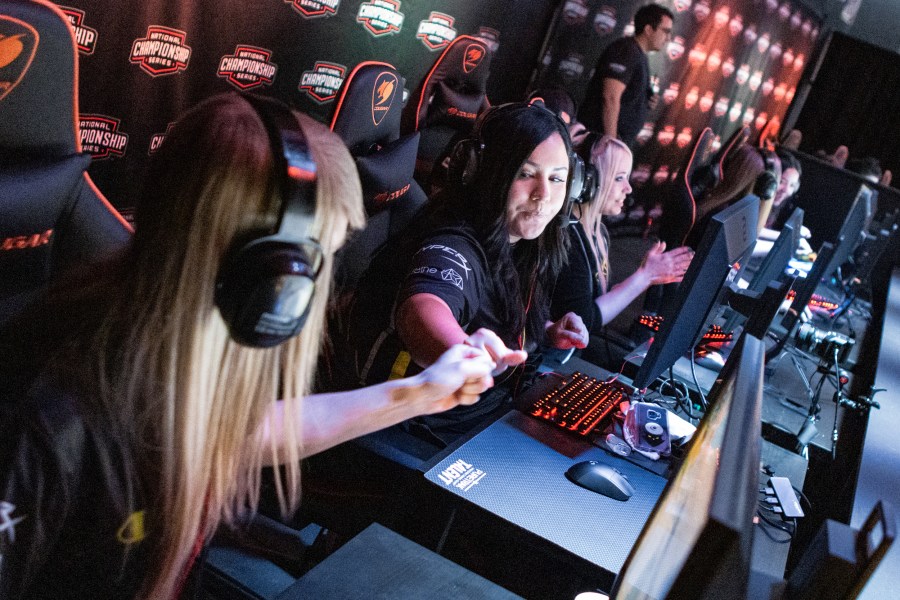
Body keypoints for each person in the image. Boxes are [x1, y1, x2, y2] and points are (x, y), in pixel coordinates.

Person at [0, 92, 498, 599]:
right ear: (259, 273)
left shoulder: (162, 350)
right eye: (313, 262)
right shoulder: (51, 421)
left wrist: (422, 392)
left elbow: (242, 431)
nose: (315, 289)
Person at [329, 101, 589, 445]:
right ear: (482, 173)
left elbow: (482, 309)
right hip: (412, 439)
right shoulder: (454, 244)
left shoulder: (520, 246)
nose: (544, 195)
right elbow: (424, 306)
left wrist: (545, 330)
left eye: (556, 178)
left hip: (476, 421)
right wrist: (462, 352)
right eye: (525, 174)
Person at [551, 135, 692, 364]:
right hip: (554, 359)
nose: (628, 188)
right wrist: (645, 276)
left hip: (572, 354)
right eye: (618, 178)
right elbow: (583, 320)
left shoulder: (598, 233)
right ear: (588, 180)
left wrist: (647, 276)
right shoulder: (568, 237)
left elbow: (597, 300)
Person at [578, 3, 674, 147]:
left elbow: (626, 97)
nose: (668, 38)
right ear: (648, 29)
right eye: (665, 31)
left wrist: (645, 101)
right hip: (598, 143)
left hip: (611, 142)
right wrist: (610, 143)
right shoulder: (626, 51)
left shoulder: (638, 55)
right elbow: (610, 97)